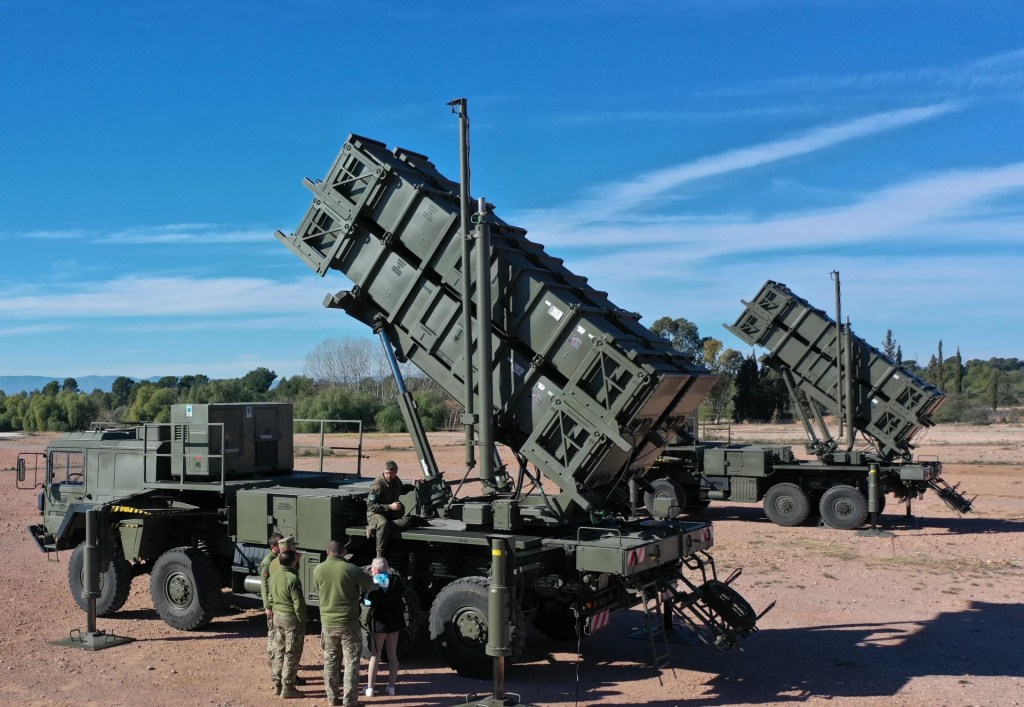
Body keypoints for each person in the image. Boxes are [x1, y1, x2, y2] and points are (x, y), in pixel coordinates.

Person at [314, 538, 376, 707]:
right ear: (343, 552)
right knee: (351, 663)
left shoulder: (318, 570)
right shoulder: (350, 569)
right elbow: (371, 585)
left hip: (327, 623)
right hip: (349, 623)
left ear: (328, 552)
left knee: (331, 661)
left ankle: (332, 699)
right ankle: (350, 701)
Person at [268, 549, 307, 699]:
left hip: (278, 617)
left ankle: (277, 685)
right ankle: (288, 687)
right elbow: (298, 603)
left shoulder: (274, 576)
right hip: (291, 619)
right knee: (292, 652)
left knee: (279, 650)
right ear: (292, 561)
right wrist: (302, 619)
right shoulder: (293, 578)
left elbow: (271, 597)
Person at [364, 557, 405, 697]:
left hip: (379, 623)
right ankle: (391, 687)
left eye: (372, 568)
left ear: (376, 569)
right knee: (392, 654)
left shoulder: (375, 582)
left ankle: (370, 688)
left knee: (375, 654)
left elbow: (368, 602)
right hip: (395, 622)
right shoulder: (396, 580)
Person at [366, 460, 420, 558]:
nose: (389, 476)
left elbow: (402, 489)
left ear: (396, 472)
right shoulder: (378, 484)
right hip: (375, 514)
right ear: (384, 471)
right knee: (383, 523)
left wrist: (413, 485)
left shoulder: (396, 480)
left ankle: (376, 529)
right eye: (387, 473)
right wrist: (390, 506)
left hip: (390, 514)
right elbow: (371, 506)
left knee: (407, 521)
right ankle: (379, 554)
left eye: (391, 473)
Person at [260, 532, 283, 668]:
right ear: (273, 546)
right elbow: (264, 585)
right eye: (280, 544)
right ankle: (272, 659)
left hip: (277, 602)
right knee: (273, 632)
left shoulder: (278, 558)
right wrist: (267, 606)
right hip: (272, 604)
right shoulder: (268, 561)